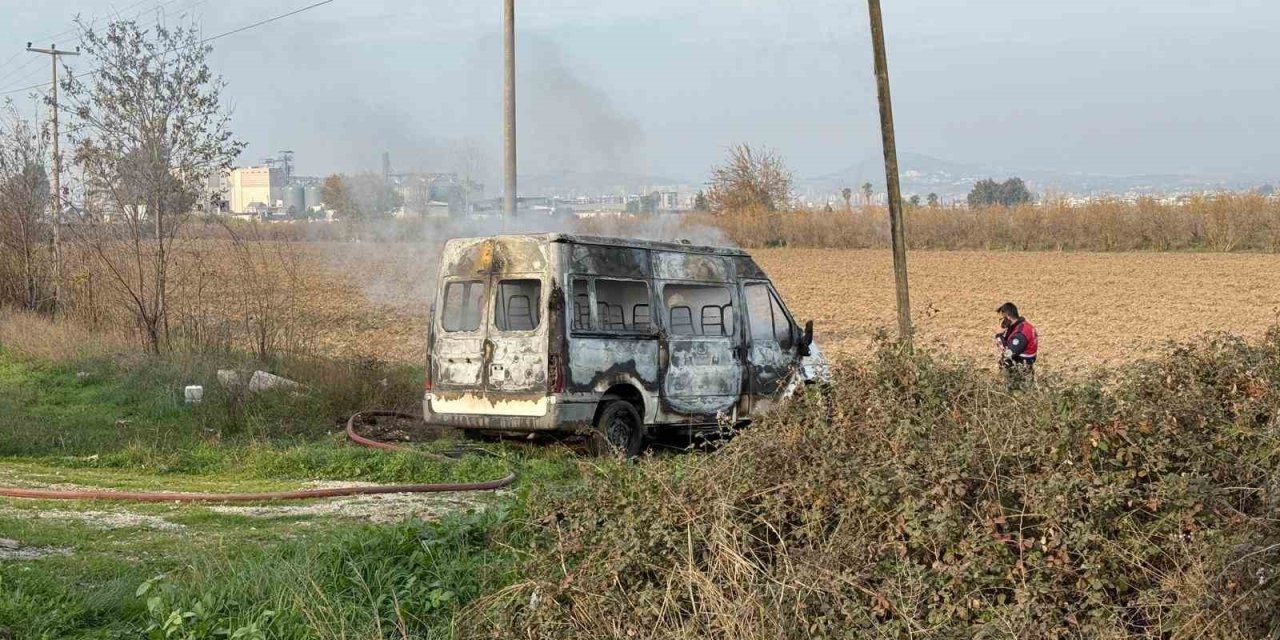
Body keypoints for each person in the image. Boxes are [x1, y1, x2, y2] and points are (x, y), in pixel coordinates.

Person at [994, 302, 1037, 387]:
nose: (1001, 322)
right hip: (1026, 369)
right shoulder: (1023, 326)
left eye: (1002, 319)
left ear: (1007, 317)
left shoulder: (1019, 334)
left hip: (1020, 374)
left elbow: (1008, 354)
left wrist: (998, 336)